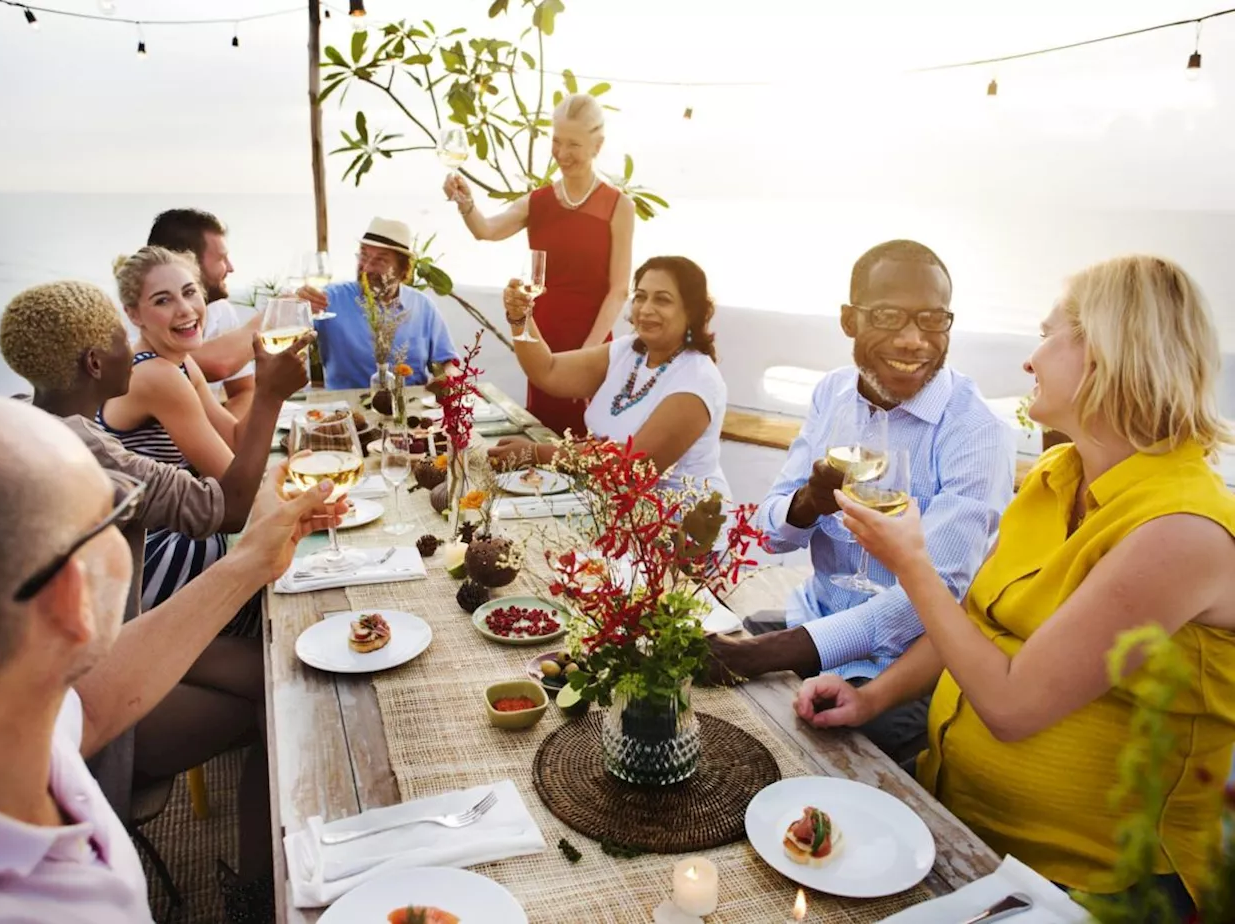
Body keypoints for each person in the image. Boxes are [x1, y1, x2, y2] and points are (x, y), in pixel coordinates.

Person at [797, 255, 1235, 915]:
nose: (1030, 360)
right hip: (960, 823)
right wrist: (874, 697)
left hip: (1092, 888)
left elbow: (1013, 708)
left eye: (1049, 334)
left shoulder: (1183, 531)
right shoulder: (1056, 474)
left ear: (1105, 354)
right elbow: (973, 621)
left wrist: (911, 564)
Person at [0, 392, 342, 923]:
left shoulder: (10, 723)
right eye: (113, 514)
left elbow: (89, 707)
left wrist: (251, 562)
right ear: (71, 596)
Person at [0, 280, 312, 912]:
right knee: (285, 700)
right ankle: (259, 897)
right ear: (94, 362)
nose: (132, 347)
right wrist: (271, 394)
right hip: (84, 709)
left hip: (72, 669)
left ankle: (260, 884)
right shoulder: (82, 447)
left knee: (277, 676)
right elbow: (223, 508)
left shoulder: (22, 421)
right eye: (122, 337)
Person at [707, 240, 1014, 765]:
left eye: (932, 320)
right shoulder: (832, 394)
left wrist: (765, 654)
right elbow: (768, 533)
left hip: (895, 674)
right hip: (811, 616)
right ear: (850, 320)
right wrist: (809, 502)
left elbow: (932, 594)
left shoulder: (977, 432)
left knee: (816, 783)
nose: (914, 340)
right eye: (890, 316)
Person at [444, 93, 635, 436]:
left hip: (592, 338)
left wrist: (589, 350)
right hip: (541, 337)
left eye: (573, 144)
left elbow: (619, 288)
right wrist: (466, 202)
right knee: (543, 433)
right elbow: (486, 230)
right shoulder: (538, 201)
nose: (562, 154)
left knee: (588, 438)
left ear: (598, 145)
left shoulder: (618, 206)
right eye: (556, 141)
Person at [98, 246, 269, 612]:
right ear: (133, 314)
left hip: (171, 538)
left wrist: (270, 387)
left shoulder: (178, 362)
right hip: (149, 558)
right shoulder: (155, 375)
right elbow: (233, 488)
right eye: (163, 300)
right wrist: (270, 393)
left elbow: (236, 439)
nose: (185, 309)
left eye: (190, 292)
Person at [489, 256, 729, 500]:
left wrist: (537, 453)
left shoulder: (697, 379)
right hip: (607, 503)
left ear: (692, 311)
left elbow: (633, 464)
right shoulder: (628, 352)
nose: (645, 309)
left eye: (662, 300)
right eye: (640, 296)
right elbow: (547, 371)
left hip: (678, 523)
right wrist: (520, 318)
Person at [296, 217, 458, 391]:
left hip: (410, 407)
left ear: (403, 269)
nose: (367, 267)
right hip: (344, 409)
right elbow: (280, 335)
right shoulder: (329, 299)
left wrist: (447, 378)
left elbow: (446, 363)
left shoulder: (423, 306)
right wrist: (295, 305)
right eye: (364, 255)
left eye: (380, 260)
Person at [148, 208, 260, 418]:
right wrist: (273, 318)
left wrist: (227, 436)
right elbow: (216, 365)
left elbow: (244, 389)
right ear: (189, 263)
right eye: (221, 259)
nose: (231, 268)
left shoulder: (221, 310)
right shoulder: (139, 319)